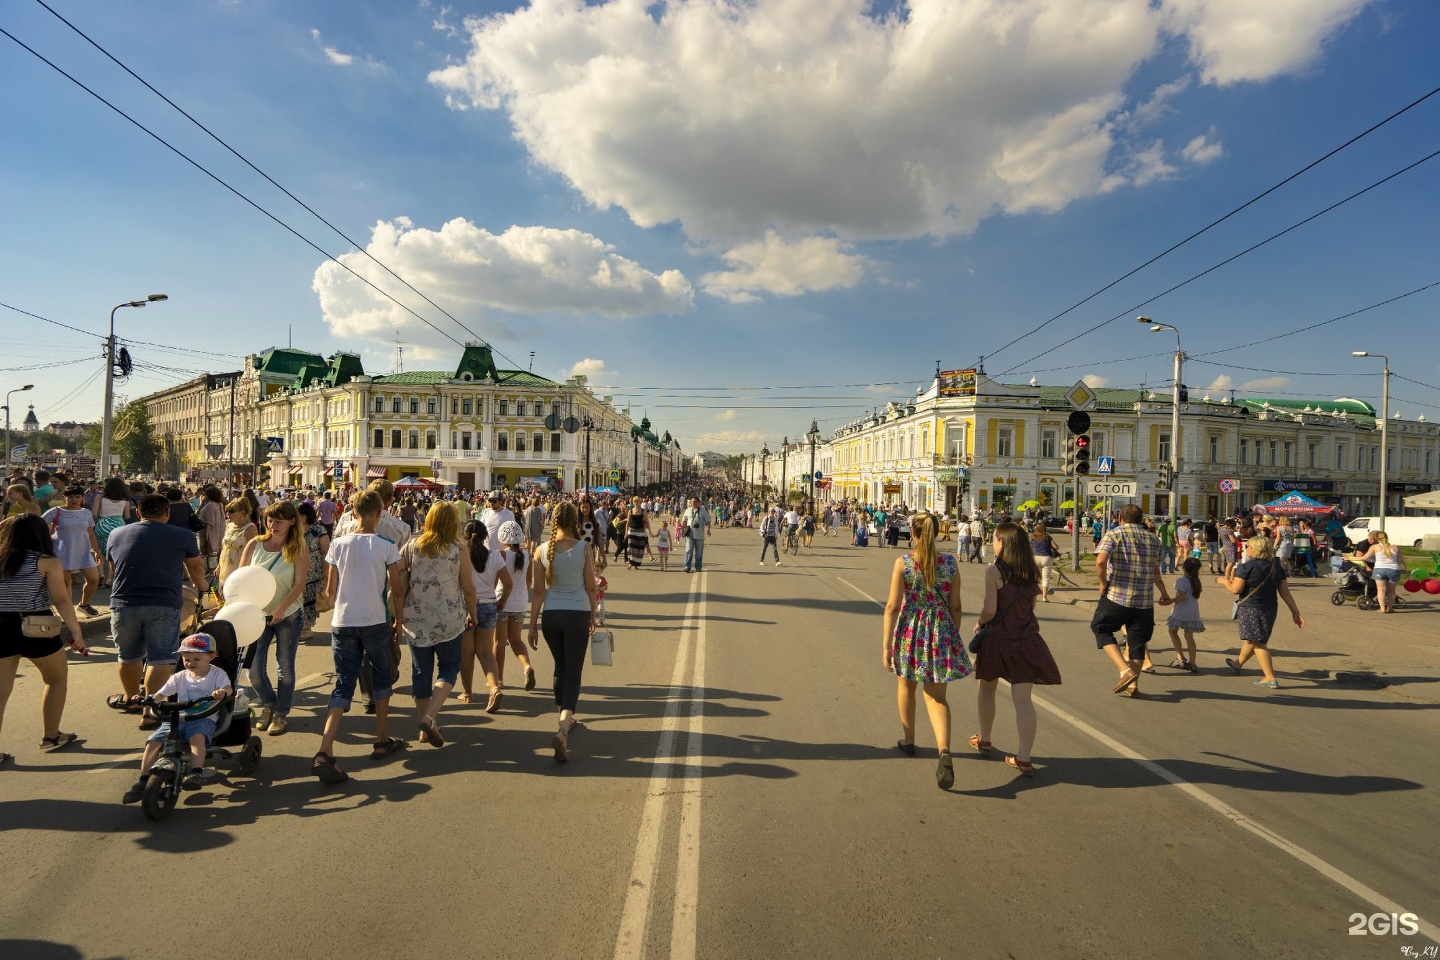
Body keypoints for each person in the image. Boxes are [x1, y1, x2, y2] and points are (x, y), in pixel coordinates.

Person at [313, 490, 407, 783]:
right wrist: (399, 620)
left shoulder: (338, 544)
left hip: (343, 621)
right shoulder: (387, 546)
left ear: (352, 513)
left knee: (343, 684)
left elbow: (331, 591)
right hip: (375, 619)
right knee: (380, 679)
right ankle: (381, 739)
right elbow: (396, 588)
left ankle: (325, 749)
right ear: (380, 514)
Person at [880, 511, 969, 790]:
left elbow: (893, 606)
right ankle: (943, 749)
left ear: (914, 533)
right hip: (940, 630)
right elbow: (955, 605)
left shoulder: (904, 563)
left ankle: (908, 740)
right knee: (937, 697)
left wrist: (886, 646)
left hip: (910, 631)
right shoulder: (949, 563)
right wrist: (951, 633)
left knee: (906, 685)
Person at [105, 494, 207, 729]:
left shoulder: (117, 533)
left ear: (138, 513)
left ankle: (132, 699)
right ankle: (150, 711)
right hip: (163, 603)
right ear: (167, 513)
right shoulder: (182, 535)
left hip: (123, 603)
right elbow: (196, 567)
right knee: (160, 658)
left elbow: (114, 566)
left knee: (128, 656)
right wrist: (203, 587)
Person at [969, 521, 1061, 777]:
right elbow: (1030, 606)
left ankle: (985, 739)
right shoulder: (1029, 571)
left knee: (987, 688)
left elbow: (990, 610)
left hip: (997, 640)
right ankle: (1023, 757)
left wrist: (978, 624)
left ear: (1004, 542)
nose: (992, 543)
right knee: (1023, 700)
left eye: (995, 539)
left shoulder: (994, 572)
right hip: (1026, 640)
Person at [0, 514, 87, 763]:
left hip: (0, 626)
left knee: (0, 692)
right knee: (55, 679)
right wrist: (76, 630)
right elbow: (61, 599)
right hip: (37, 625)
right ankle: (51, 735)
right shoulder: (47, 561)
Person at [393, 500, 475, 748]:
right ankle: (430, 717)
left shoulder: (412, 545)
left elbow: (397, 580)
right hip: (449, 618)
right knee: (449, 667)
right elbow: (468, 587)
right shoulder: (458, 548)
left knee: (421, 672)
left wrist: (397, 617)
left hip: (415, 619)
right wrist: (474, 612)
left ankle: (424, 726)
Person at [120, 632, 232, 801]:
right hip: (178, 716)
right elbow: (161, 694)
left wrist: (222, 692)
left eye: (196, 659)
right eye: (186, 659)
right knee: (153, 741)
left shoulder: (217, 674)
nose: (190, 663)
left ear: (211, 656)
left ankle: (195, 773)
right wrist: (147, 700)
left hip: (203, 716)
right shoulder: (180, 677)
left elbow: (229, 689)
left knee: (197, 738)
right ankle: (142, 781)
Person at [527, 500, 598, 762]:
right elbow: (591, 586)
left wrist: (533, 625)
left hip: (552, 616)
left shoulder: (542, 551)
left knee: (560, 668)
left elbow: (538, 592)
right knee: (573, 673)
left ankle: (562, 717)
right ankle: (564, 726)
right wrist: (594, 614)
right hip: (577, 614)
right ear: (574, 521)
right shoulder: (582, 548)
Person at [239, 501, 309, 737]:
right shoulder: (255, 544)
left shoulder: (298, 548)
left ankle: (280, 713)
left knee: (285, 667)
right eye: (269, 519)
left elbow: (299, 584)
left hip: (287, 615)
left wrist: (281, 608)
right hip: (257, 615)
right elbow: (242, 579)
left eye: (279, 520)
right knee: (254, 670)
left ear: (292, 522)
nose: (273, 524)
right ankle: (269, 704)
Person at [1090, 503, 1170, 697]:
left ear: (1120, 518)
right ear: (1141, 520)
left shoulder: (1114, 534)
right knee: (1137, 641)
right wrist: (1164, 593)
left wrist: (1102, 582)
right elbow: (1156, 573)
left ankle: (1125, 671)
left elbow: (1100, 561)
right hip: (1144, 600)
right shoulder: (1153, 539)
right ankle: (1132, 685)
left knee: (1100, 627)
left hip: (1117, 595)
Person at [1220, 535, 1304, 688]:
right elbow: (1285, 593)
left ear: (1255, 549)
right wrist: (1295, 612)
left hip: (1251, 608)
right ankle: (1237, 664)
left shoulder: (1246, 567)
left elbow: (1235, 589)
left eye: (1248, 547)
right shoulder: (1276, 567)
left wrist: (1224, 581)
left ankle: (1270, 678)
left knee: (1258, 643)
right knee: (1253, 639)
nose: (1246, 549)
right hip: (1270, 608)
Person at [461, 519, 512, 711]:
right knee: (485, 652)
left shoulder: (461, 556)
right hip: (489, 605)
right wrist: (502, 601)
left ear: (464, 537)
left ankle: (467, 693)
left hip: (466, 607)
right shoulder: (495, 557)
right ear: (485, 537)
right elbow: (508, 583)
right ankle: (494, 687)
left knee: (466, 653)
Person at [42, 487, 102, 617]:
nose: (74, 500)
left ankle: (84, 605)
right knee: (66, 584)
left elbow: (91, 533)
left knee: (93, 579)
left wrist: (97, 551)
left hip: (83, 552)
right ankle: (67, 613)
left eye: (77, 497)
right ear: (65, 498)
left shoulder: (86, 512)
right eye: (70, 497)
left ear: (82, 498)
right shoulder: (56, 511)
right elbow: (38, 525)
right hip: (61, 552)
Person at [494, 520, 536, 694]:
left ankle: (499, 679)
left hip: (502, 602)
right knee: (516, 640)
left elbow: (495, 580)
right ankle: (526, 667)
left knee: (499, 642)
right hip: (520, 603)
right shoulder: (527, 555)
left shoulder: (501, 555)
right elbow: (528, 581)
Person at [1157, 556, 1205, 671]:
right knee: (1189, 636)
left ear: (1184, 568)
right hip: (1193, 611)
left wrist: (1169, 602)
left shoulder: (1181, 581)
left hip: (1181, 611)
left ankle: (1180, 657)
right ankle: (1193, 662)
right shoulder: (1196, 582)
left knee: (1172, 631)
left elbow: (1181, 597)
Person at [295, 501, 330, 639]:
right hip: (294, 567)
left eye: (299, 514)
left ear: (305, 516)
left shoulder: (318, 530)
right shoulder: (293, 529)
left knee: (309, 598)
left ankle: (306, 627)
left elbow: (325, 551)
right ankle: (295, 625)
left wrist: (325, 570)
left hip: (313, 569)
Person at [91, 478, 132, 587]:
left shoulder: (100, 497)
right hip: (118, 526)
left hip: (103, 524)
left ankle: (100, 573)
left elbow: (94, 514)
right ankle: (109, 579)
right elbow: (127, 516)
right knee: (113, 553)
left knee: (99, 551)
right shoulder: (125, 500)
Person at [1353, 529, 1403, 614]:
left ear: (1377, 539)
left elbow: (1364, 558)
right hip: (1394, 570)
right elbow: (1401, 561)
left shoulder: (1375, 547)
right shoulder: (1395, 547)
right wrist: (1406, 570)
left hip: (1380, 569)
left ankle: (1382, 609)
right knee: (1391, 591)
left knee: (1381, 590)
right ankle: (1390, 608)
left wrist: (1350, 558)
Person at [218, 498, 258, 594]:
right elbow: (225, 548)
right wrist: (219, 565)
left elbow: (254, 551)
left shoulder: (250, 528)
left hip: (239, 567)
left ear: (242, 512)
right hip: (225, 566)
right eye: (226, 511)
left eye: (231, 511)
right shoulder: (229, 526)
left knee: (235, 594)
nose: (227, 514)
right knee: (223, 595)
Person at [1028, 522, 1059, 602]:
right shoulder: (1048, 537)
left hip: (1035, 558)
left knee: (1035, 577)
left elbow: (1027, 546)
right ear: (1044, 529)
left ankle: (1033, 596)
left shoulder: (1032, 537)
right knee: (1046, 578)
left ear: (1036, 529)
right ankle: (1044, 597)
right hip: (1047, 558)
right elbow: (1056, 547)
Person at [680, 496, 711, 573]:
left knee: (699, 552)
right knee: (688, 550)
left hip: (700, 534)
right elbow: (684, 520)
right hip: (690, 533)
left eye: (695, 502)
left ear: (699, 503)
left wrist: (708, 529)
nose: (693, 503)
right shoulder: (688, 510)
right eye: (692, 502)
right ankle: (687, 566)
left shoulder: (703, 511)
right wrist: (682, 530)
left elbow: (708, 521)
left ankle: (698, 567)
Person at [625, 496, 652, 570]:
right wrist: (626, 533)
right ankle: (630, 563)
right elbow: (627, 523)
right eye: (634, 501)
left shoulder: (643, 511)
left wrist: (649, 531)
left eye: (637, 501)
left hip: (640, 532)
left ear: (640, 502)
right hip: (632, 531)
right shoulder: (630, 511)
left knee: (639, 549)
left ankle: (636, 565)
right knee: (631, 548)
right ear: (633, 502)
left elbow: (647, 522)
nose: (636, 503)